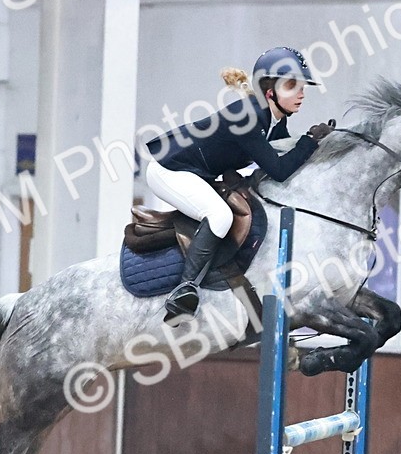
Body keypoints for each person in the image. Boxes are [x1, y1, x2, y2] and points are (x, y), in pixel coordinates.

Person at [143, 46, 335, 325]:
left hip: (197, 173)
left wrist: (321, 145)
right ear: (269, 91)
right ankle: (184, 289)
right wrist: (310, 141)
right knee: (219, 215)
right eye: (292, 86)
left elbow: (286, 156)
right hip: (169, 170)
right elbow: (279, 170)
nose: (301, 94)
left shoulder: (274, 121)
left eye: (302, 87)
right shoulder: (248, 115)